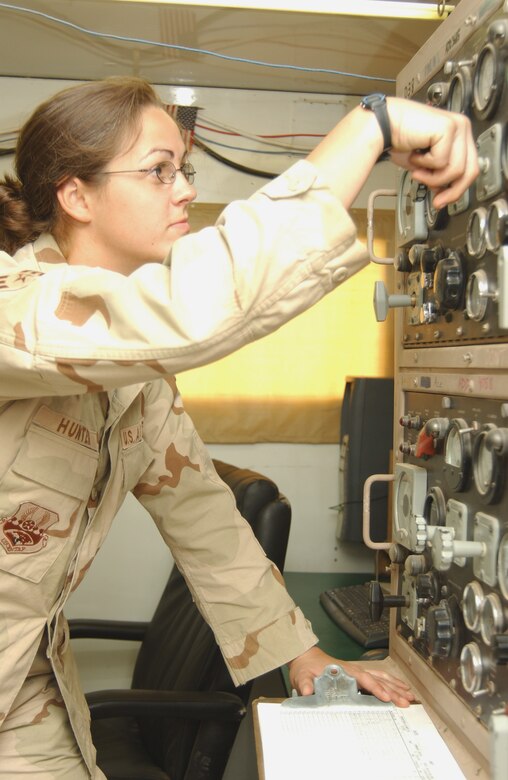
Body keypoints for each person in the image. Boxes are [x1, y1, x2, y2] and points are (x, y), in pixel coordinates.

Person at [0, 76, 478, 779]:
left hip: (28, 685)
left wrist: (304, 655)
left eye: (183, 170)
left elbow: (205, 521)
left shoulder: (134, 376)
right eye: (159, 171)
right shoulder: (17, 312)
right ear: (76, 195)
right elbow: (189, 313)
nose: (185, 190)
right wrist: (370, 125)